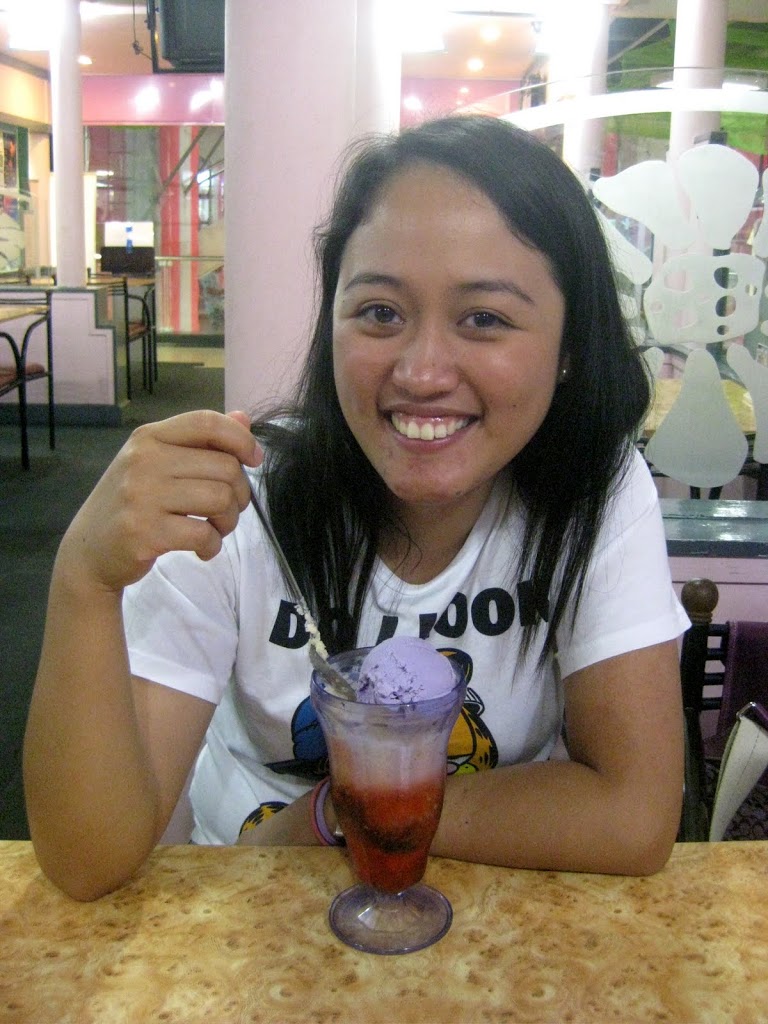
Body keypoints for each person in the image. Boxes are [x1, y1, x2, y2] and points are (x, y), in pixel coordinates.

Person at [24, 115, 689, 902]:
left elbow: (634, 815)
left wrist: (343, 812)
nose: (422, 372)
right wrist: (84, 580)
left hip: (487, 910)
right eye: (380, 312)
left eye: (484, 318)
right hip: (249, 906)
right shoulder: (237, 500)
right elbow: (86, 861)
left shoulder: (592, 493)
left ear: (570, 345)